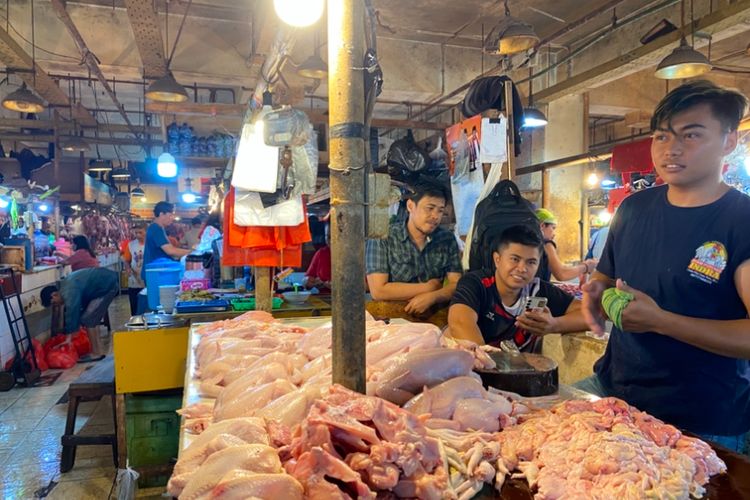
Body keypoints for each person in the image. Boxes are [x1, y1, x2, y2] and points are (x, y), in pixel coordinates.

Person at [580, 80, 750, 453]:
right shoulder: (633, 209)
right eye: (661, 136)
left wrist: (662, 321)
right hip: (616, 396)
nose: (671, 149)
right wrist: (594, 293)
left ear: (728, 142)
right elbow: (604, 278)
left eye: (691, 135)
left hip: (702, 422)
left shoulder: (741, 220)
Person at [448, 225, 586, 352]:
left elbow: (591, 314)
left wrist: (555, 325)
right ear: (497, 259)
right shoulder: (476, 283)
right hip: (475, 369)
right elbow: (460, 322)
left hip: (515, 371)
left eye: (531, 262)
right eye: (515, 259)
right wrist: (490, 366)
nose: (522, 269)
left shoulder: (538, 291)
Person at [366, 183, 462, 315]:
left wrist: (434, 296)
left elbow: (456, 284)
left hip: (434, 318)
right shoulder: (383, 238)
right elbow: (378, 291)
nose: (435, 216)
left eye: (440, 210)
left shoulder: (446, 239)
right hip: (390, 320)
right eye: (430, 208)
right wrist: (429, 287)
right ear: (410, 206)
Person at [40, 267, 120, 362]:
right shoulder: (65, 285)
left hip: (106, 286)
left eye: (54, 303)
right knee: (92, 320)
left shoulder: (68, 291)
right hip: (107, 282)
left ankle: (96, 353)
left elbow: (72, 310)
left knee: (88, 319)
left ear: (54, 295)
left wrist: (68, 337)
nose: (56, 305)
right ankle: (98, 350)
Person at [535, 208, 597, 281]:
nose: (554, 234)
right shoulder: (546, 244)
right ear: (542, 226)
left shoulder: (527, 242)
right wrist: (586, 266)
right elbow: (562, 274)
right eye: (553, 228)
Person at [142, 201, 192, 281]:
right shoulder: (156, 229)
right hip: (156, 273)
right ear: (162, 214)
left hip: (157, 272)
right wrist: (193, 252)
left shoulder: (159, 229)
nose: (172, 218)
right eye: (170, 215)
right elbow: (170, 251)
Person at [123, 223, 146, 316]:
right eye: (136, 233)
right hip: (134, 280)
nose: (138, 235)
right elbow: (126, 260)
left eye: (140, 232)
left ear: (146, 232)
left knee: (146, 305)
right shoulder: (131, 245)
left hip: (147, 279)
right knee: (134, 305)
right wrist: (127, 268)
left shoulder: (151, 244)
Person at [303, 224, 331, 291]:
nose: (330, 240)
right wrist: (308, 281)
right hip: (324, 296)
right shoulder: (321, 253)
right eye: (328, 236)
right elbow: (308, 279)